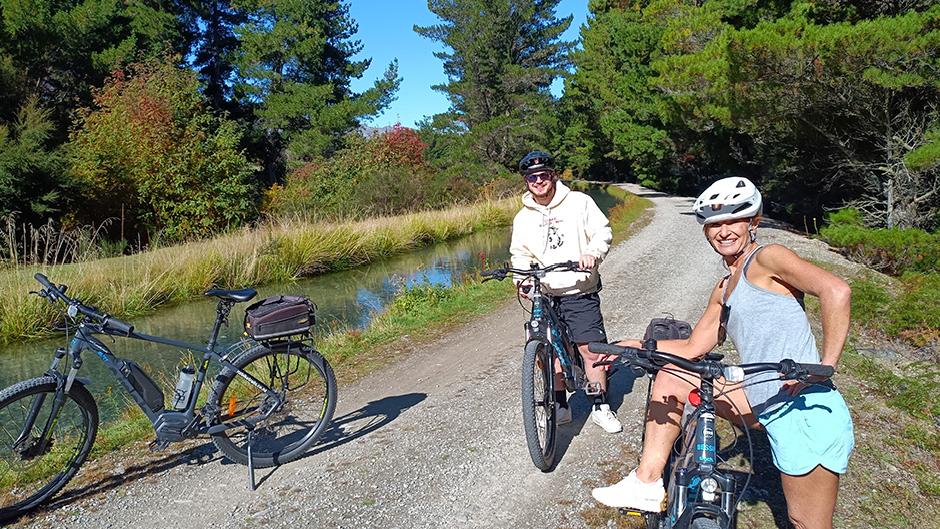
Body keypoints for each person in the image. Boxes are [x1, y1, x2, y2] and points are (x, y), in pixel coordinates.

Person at [591, 177, 855, 529]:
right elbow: (693, 347)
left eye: (734, 220)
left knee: (805, 523)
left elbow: (836, 291)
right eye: (715, 224)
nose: (723, 231)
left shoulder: (768, 258)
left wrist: (824, 365)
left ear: (753, 222)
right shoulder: (724, 287)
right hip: (759, 398)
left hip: (803, 407)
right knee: (673, 376)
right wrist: (634, 346)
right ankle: (647, 482)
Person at [509, 150, 621, 433]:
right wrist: (521, 278)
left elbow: (602, 232)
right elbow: (519, 253)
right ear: (526, 181)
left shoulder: (579, 202)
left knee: (590, 349)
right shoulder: (522, 218)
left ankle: (600, 406)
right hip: (543, 292)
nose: (538, 181)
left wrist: (592, 253)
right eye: (532, 177)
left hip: (577, 287)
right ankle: (560, 405)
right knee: (546, 352)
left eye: (543, 175)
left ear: (553, 175)